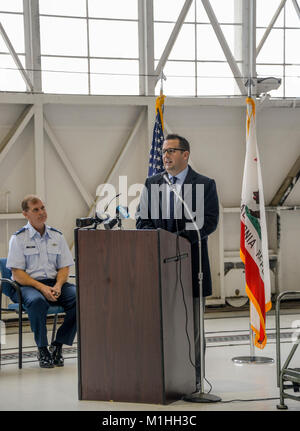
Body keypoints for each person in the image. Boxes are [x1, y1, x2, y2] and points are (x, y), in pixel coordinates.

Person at [136, 134, 219, 389]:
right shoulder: (153, 183)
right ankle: (164, 376)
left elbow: (209, 221)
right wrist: (161, 242)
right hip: (159, 266)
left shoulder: (205, 184)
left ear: (185, 154)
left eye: (172, 151)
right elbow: (142, 221)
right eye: (164, 151)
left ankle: (194, 380)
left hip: (192, 265)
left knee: (193, 327)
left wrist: (178, 241)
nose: (166, 156)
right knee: (162, 324)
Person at [6, 195, 76, 368]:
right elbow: (17, 274)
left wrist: (58, 285)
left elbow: (64, 267)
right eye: (36, 209)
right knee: (37, 301)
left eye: (43, 208)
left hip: (55, 282)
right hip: (28, 285)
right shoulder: (19, 238)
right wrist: (42, 288)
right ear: (25, 214)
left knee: (80, 298)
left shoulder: (56, 236)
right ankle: (42, 349)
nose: (41, 212)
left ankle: (58, 345)